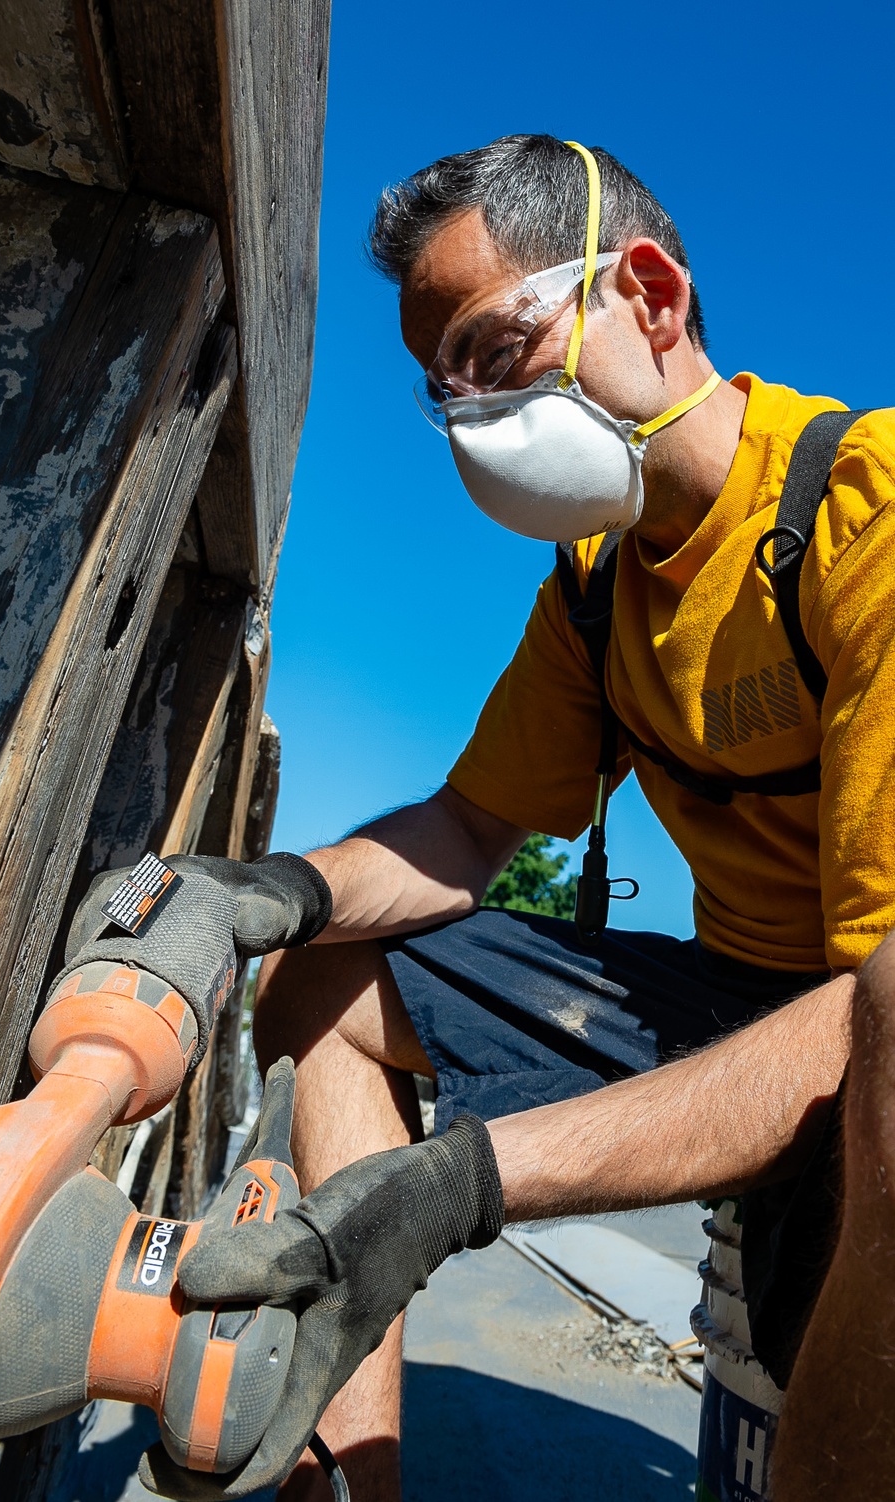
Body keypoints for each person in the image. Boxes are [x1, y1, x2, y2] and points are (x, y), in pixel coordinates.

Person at [141, 135, 895, 1501]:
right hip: (735, 994)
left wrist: (463, 1179)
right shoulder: (597, 592)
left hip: (872, 1011)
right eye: (445, 388)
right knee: (331, 971)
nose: (472, 414)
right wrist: (261, 894)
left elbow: (877, 1001)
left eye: (495, 349)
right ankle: (350, 1468)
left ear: (652, 297)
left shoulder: (864, 513)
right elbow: (469, 833)